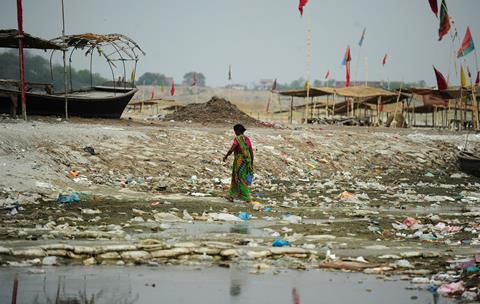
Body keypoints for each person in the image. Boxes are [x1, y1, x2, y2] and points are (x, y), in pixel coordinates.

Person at [223, 124, 254, 202]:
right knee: (241, 178)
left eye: (235, 131)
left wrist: (226, 156)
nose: (235, 133)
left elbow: (232, 149)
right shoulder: (247, 139)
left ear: (237, 130)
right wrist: (251, 163)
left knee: (238, 178)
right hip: (247, 161)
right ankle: (232, 195)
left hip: (239, 161)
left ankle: (246, 197)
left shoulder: (237, 139)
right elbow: (251, 152)